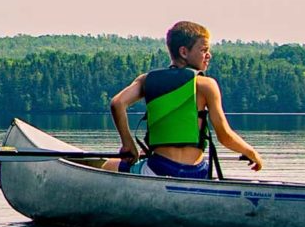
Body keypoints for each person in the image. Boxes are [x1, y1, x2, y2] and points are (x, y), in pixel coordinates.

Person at [105, 21, 264, 178]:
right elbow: (224, 135)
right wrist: (251, 152)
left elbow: (117, 103)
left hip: (158, 169)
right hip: (196, 172)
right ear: (184, 52)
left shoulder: (146, 80)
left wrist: (128, 145)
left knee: (108, 166)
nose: (209, 55)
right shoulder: (206, 85)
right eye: (204, 50)